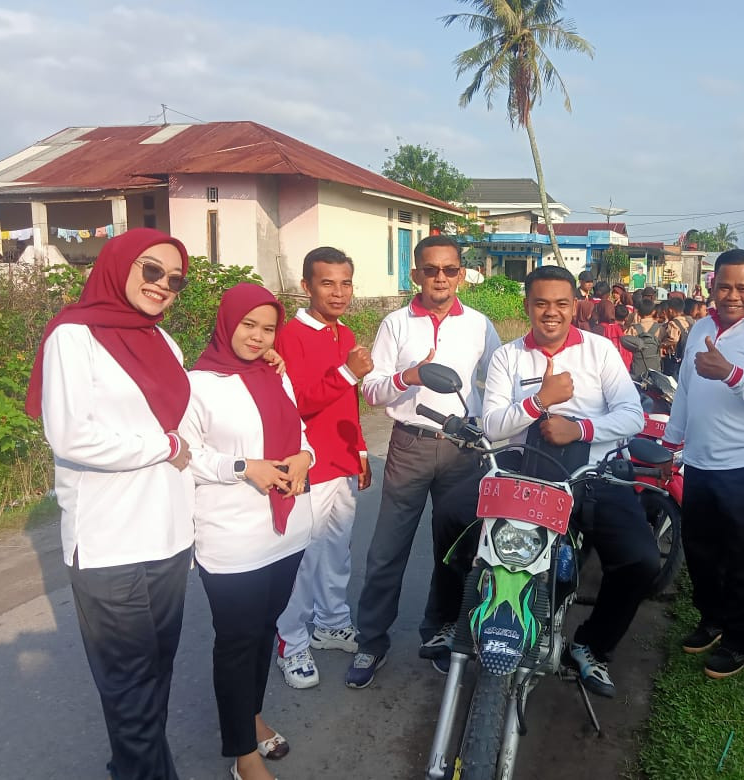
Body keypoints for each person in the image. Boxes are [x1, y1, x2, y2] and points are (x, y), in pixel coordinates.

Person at [431, 265, 658, 698]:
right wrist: (538, 403)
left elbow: (632, 416)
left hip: (591, 476)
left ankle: (591, 645)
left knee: (641, 560)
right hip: (521, 474)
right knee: (449, 516)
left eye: (560, 304)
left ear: (575, 306)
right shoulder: (509, 356)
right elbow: (494, 426)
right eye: (540, 304)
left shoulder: (600, 351)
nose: (550, 313)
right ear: (527, 306)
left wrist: (581, 430)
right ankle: (451, 619)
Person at [26, 228, 196, 780]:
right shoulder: (72, 337)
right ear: (118, 264)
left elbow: (189, 427)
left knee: (155, 677)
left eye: (174, 279)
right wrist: (162, 447)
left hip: (168, 536)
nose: (163, 285)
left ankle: (135, 765)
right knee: (128, 685)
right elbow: (72, 436)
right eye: (152, 270)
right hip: (108, 542)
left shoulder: (163, 341)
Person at [348, 234, 501, 688]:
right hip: (409, 444)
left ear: (462, 274)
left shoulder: (478, 324)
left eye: (450, 269)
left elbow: (496, 381)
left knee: (454, 548)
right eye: (430, 270)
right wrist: (408, 376)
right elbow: (372, 391)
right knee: (387, 549)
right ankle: (371, 641)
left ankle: (439, 632)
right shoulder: (396, 324)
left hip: (464, 450)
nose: (440, 278)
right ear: (415, 274)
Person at [180, 283, 316, 780]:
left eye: (267, 327)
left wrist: (305, 456)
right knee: (237, 643)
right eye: (247, 325)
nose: (257, 337)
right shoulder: (198, 384)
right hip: (231, 539)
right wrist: (243, 467)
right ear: (226, 322)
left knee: (264, 632)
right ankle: (243, 756)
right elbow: (185, 454)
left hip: (285, 533)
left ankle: (251, 716)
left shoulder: (276, 375)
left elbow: (300, 435)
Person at [664, 248, 744, 679]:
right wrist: (670, 442)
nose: (732, 295)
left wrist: (731, 375)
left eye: (743, 287)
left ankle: (741, 638)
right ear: (711, 286)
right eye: (724, 286)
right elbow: (684, 389)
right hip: (698, 462)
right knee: (701, 550)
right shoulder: (701, 326)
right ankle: (712, 620)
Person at [271, 247, 373, 689]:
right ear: (306, 286)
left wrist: (362, 451)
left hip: (342, 462)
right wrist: (347, 374)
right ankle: (291, 642)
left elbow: (347, 405)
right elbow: (293, 404)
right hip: (306, 463)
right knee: (301, 560)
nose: (338, 292)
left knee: (336, 551)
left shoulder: (344, 332)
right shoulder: (287, 335)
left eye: (345, 283)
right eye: (327, 283)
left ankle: (331, 623)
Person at [625, 299, 664, 381]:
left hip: (638, 366)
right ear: (653, 312)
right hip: (655, 366)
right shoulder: (660, 328)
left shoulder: (633, 328)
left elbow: (626, 341)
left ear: (638, 312)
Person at [661, 296, 692, 377]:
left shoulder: (673, 323)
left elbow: (674, 339)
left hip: (674, 359)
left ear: (670, 311)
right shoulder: (688, 322)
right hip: (686, 356)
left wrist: (663, 344)